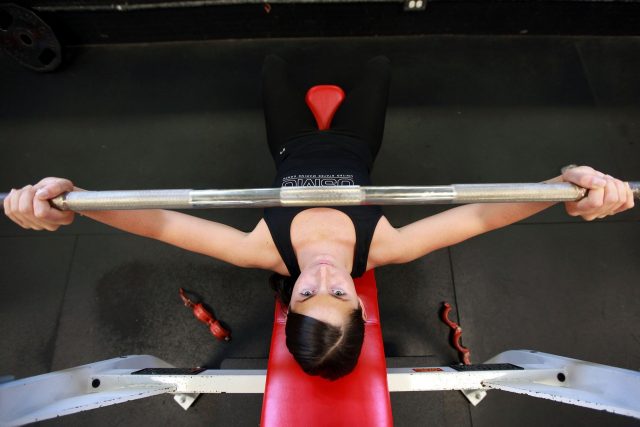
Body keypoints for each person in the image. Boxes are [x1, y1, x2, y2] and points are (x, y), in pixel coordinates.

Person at [3, 55, 635, 381]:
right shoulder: (385, 247)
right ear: (360, 304)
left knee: (274, 70)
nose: (328, 275)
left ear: (292, 299)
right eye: (341, 294)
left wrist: (74, 202)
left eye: (309, 293)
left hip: (288, 148)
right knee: (380, 71)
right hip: (358, 147)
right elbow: (482, 216)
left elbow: (160, 224)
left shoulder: (261, 251)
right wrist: (559, 189)